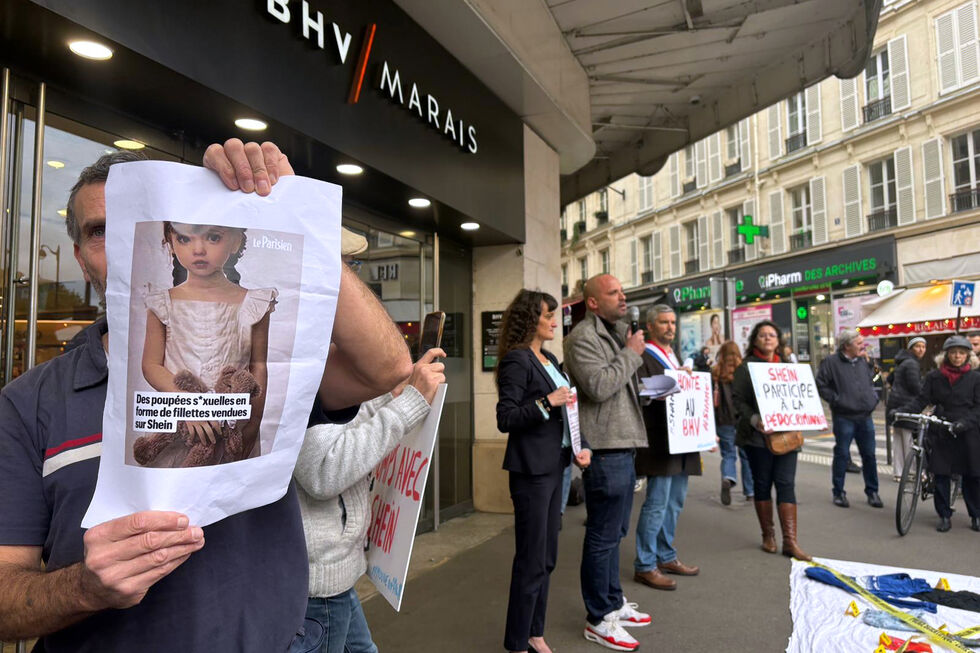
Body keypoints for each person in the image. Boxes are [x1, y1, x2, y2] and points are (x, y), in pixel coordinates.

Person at [0, 140, 413, 651]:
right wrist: (84, 588)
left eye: (139, 217)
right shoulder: (29, 404)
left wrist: (288, 209)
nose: (126, 237)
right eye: (102, 230)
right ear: (84, 261)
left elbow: (389, 367)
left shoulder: (268, 356)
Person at [295, 346, 446, 653]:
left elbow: (346, 423)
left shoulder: (326, 373)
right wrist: (406, 405)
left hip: (334, 572)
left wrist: (393, 397)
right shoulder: (304, 368)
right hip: (319, 581)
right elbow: (323, 470)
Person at [495, 289, 592, 653]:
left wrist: (578, 447)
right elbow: (506, 418)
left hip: (559, 465)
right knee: (532, 558)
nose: (555, 320)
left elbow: (566, 414)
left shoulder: (549, 358)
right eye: (549, 314)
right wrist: (545, 401)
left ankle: (535, 633)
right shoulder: (517, 360)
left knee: (547, 556)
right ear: (530, 319)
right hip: (532, 472)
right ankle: (518, 641)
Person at [135, 221, 275, 467]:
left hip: (234, 431)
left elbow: (258, 367)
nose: (198, 249)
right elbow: (151, 365)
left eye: (212, 237)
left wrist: (253, 425)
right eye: (185, 239)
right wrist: (186, 404)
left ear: (235, 240)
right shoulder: (162, 302)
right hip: (182, 431)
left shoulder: (254, 303)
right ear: (170, 240)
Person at [564, 274, 651, 652]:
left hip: (623, 442)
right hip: (604, 446)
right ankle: (598, 618)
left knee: (615, 533)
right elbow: (599, 386)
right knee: (602, 535)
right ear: (594, 302)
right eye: (614, 292)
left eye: (622, 291)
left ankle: (613, 602)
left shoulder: (614, 333)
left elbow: (618, 386)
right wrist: (631, 353)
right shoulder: (582, 337)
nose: (623, 296)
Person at [633, 305, 701, 592]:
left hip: (682, 440)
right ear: (650, 326)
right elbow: (638, 391)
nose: (670, 327)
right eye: (663, 322)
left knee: (674, 503)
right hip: (660, 439)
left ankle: (666, 555)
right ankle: (645, 564)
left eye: (673, 322)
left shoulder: (673, 355)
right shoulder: (642, 354)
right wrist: (665, 387)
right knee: (657, 503)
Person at [732, 320, 811, 561]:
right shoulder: (746, 368)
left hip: (787, 436)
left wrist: (810, 415)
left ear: (778, 340)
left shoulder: (788, 366)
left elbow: (802, 395)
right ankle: (768, 535)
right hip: (758, 438)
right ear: (755, 340)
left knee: (786, 484)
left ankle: (790, 541)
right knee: (762, 484)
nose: (768, 338)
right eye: (763, 335)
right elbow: (738, 401)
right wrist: (755, 419)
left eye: (772, 335)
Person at [900, 335, 980, 532]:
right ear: (946, 355)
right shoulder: (935, 377)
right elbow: (922, 399)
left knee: (972, 475)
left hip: (968, 429)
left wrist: (965, 422)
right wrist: (904, 411)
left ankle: (976, 515)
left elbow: (978, 407)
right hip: (942, 427)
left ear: (968, 356)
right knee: (941, 474)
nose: (957, 356)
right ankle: (944, 515)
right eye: (953, 353)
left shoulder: (975, 378)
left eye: (961, 353)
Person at [816, 329, 883, 509]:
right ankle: (838, 492)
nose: (863, 346)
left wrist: (874, 397)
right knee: (842, 454)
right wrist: (837, 400)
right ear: (846, 346)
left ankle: (872, 491)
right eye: (859, 343)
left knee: (869, 455)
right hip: (844, 416)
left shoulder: (864, 361)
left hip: (865, 415)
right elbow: (821, 384)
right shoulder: (831, 362)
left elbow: (874, 379)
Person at [713, 340, 753, 505]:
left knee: (728, 453)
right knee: (746, 456)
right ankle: (751, 491)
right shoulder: (744, 371)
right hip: (742, 419)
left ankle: (728, 478)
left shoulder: (715, 373)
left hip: (723, 420)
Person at [886, 337, 927, 480]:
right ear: (911, 348)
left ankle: (899, 472)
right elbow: (915, 386)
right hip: (906, 405)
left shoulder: (902, 361)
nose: (921, 349)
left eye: (923, 346)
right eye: (918, 346)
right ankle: (913, 471)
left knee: (898, 439)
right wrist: (926, 395)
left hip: (895, 404)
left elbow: (890, 379)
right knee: (909, 440)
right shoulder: (912, 364)